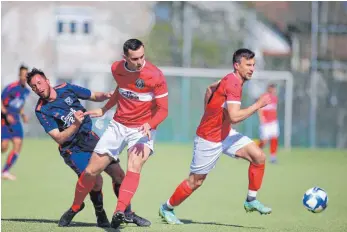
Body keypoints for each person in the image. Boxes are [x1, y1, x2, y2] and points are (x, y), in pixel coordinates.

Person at [63, 38, 169, 229]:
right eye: (135, 58)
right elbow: (121, 90)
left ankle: (120, 212)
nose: (140, 61)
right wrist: (104, 109)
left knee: (134, 165)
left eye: (142, 56)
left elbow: (163, 110)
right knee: (90, 171)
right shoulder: (116, 68)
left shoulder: (156, 76)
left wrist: (150, 124)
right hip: (118, 125)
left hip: (142, 129)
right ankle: (75, 206)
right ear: (125, 57)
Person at [159, 48, 272, 225]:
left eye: (253, 65)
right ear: (237, 65)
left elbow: (209, 89)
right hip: (209, 139)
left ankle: (251, 200)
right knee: (195, 182)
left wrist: (210, 113)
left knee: (258, 157)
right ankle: (167, 208)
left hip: (225, 134)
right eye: (248, 65)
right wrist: (258, 104)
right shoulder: (233, 83)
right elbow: (234, 117)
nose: (252, 69)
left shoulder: (229, 79)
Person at [26, 68, 150, 227]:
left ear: (47, 81)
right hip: (72, 148)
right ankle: (99, 214)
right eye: (34, 87)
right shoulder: (41, 110)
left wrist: (106, 95)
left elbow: (93, 95)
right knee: (95, 181)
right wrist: (76, 124)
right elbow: (59, 137)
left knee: (119, 174)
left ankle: (127, 213)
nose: (38, 88)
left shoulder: (65, 88)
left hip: (90, 138)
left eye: (39, 83)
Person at [1, 65, 30, 180]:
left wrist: (23, 115)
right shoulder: (11, 87)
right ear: (19, 75)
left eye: (26, 76)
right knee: (3, 147)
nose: (25, 77)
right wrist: (6, 114)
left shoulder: (26, 91)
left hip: (16, 120)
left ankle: (5, 171)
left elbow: (20, 104)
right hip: (4, 119)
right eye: (23, 75)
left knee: (18, 144)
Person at [258, 84, 279, 163]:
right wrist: (261, 118)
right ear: (269, 88)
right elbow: (259, 108)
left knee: (274, 138)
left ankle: (273, 157)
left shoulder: (275, 98)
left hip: (273, 122)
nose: (274, 90)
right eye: (272, 88)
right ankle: (254, 152)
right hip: (265, 123)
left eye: (274, 89)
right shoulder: (264, 96)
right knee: (264, 141)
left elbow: (273, 110)